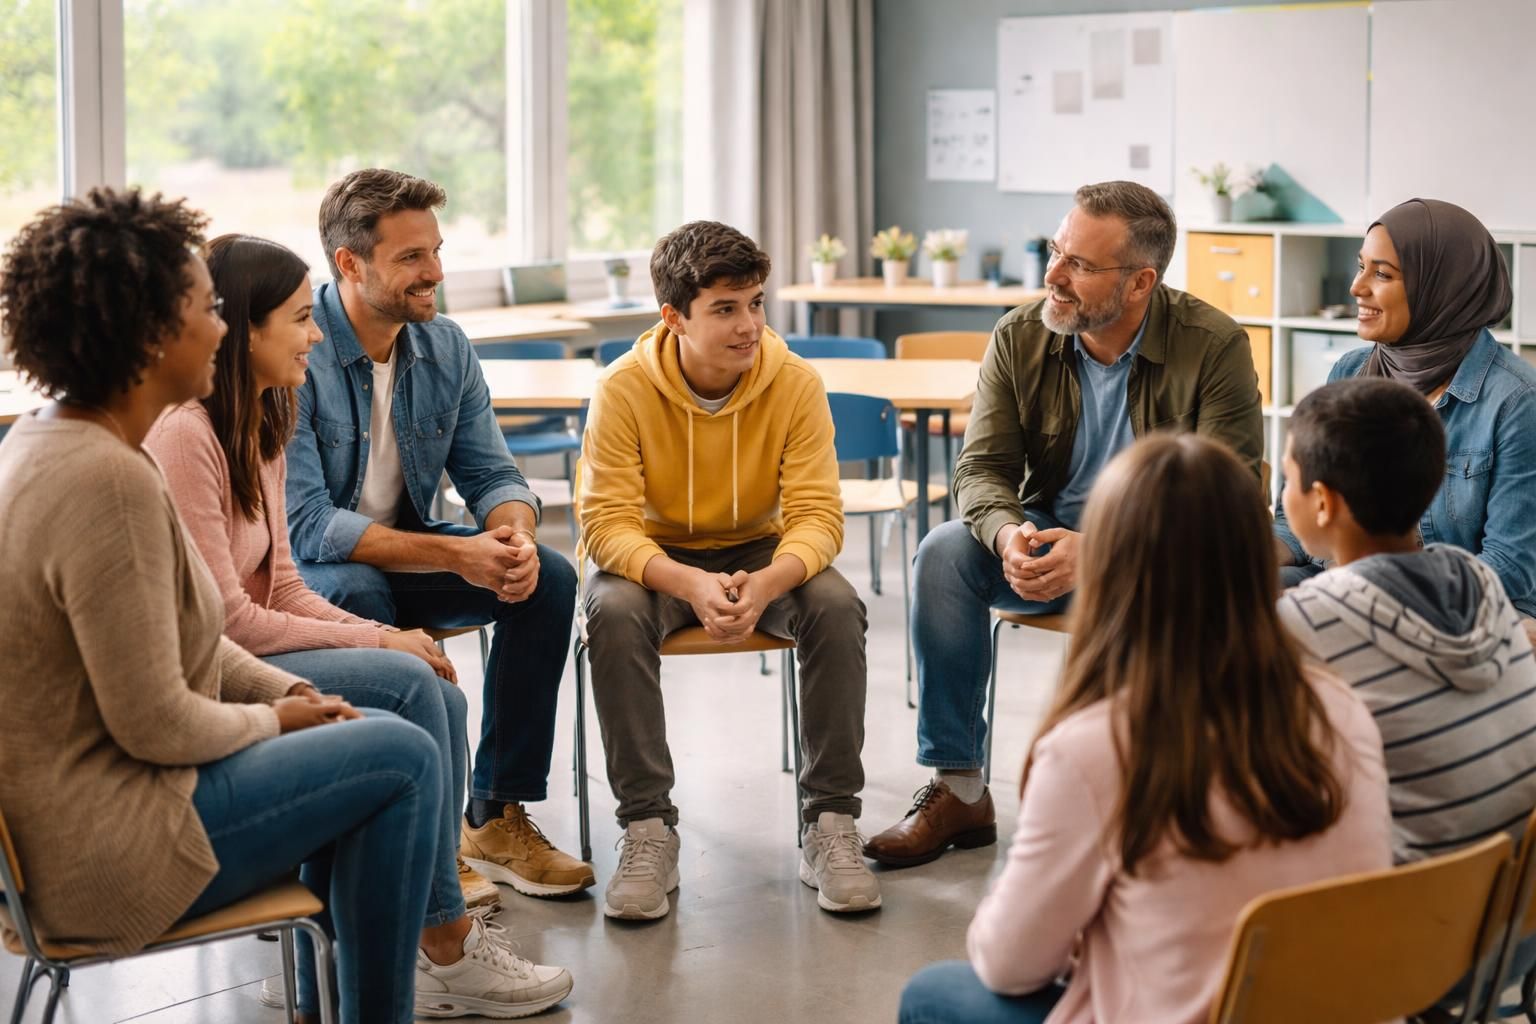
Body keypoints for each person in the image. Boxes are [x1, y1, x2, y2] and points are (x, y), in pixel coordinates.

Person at [0, 188, 440, 1024]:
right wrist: (277, 726)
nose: (220, 328)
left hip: (78, 823)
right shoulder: (107, 478)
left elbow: (193, 639)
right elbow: (156, 724)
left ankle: (338, 1001)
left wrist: (284, 695)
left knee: (362, 738)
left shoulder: (54, 438)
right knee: (401, 757)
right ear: (150, 332)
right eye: (208, 308)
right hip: (105, 851)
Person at [144, 233, 574, 1019]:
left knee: (444, 686)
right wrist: (379, 639)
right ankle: (443, 940)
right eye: (299, 320)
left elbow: (276, 585)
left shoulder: (264, 417)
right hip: (221, 663)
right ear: (244, 330)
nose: (313, 335)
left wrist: (499, 539)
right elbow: (232, 617)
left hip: (271, 625)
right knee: (409, 679)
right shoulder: (185, 436)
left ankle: (429, 901)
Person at [898, 433, 1390, 1024]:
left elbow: (1007, 963)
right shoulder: (1343, 708)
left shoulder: (1093, 750)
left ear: (1110, 568)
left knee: (932, 996)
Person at [866, 180, 1265, 867]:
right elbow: (982, 468)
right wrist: (1006, 534)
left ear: (1140, 283)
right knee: (942, 553)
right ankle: (958, 788)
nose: (1053, 275)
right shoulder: (1020, 334)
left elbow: (1227, 499)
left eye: (1079, 264)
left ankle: (1153, 798)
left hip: (1156, 552)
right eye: (1057, 251)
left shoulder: (1214, 345)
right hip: (1045, 532)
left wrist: (1107, 550)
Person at [284, 168, 591, 897]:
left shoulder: (445, 347)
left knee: (546, 578)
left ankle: (492, 812)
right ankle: (413, 836)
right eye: (412, 258)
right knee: (356, 585)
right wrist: (459, 552)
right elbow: (310, 525)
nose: (437, 274)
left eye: (437, 251)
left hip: (412, 550)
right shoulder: (296, 351)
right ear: (350, 264)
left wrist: (509, 538)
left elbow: (492, 476)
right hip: (314, 574)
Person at [578, 220, 877, 919]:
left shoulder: (795, 382)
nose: (749, 326)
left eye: (755, 303)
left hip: (758, 552)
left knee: (836, 604)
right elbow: (605, 523)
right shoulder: (622, 389)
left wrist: (769, 581)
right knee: (611, 612)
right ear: (673, 317)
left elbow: (817, 516)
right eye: (724, 309)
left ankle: (829, 822)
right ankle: (648, 828)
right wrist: (686, 582)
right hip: (658, 557)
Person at [1276, 377, 1536, 862]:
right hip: (1506, 899)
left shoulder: (1302, 623)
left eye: (1288, 480)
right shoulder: (1479, 582)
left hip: (1396, 911)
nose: (1282, 498)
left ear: (1323, 503)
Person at [1273, 198, 1536, 618]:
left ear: (1442, 287)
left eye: (1382, 274)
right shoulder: (1351, 371)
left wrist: (1371, 600)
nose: (1356, 287)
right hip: (1347, 581)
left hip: (1466, 603)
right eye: (1361, 267)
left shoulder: (1517, 400)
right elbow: (1297, 518)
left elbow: (1509, 567)